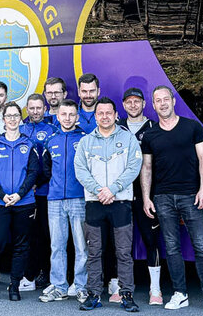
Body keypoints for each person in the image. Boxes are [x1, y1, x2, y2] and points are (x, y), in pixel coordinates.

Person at [140, 86, 203, 314]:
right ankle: (180, 294)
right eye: (158, 100)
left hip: (191, 196)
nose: (163, 103)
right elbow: (146, 168)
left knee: (201, 247)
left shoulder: (192, 127)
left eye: (166, 99)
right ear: (153, 105)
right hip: (163, 198)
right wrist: (146, 197)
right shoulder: (150, 135)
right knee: (172, 248)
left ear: (173, 101)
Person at [74, 97, 142, 312]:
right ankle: (94, 294)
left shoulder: (128, 138)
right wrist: (99, 190)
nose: (104, 117)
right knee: (94, 252)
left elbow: (134, 166)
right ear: (95, 117)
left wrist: (112, 189)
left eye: (108, 113)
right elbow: (80, 170)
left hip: (120, 203)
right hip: (94, 204)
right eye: (100, 113)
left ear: (115, 115)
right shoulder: (86, 142)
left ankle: (126, 295)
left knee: (123, 252)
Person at [0, 102, 38, 302]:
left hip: (24, 202)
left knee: (21, 246)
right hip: (0, 202)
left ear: (20, 119)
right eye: (9, 116)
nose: (12, 119)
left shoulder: (29, 144)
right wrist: (3, 195)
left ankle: (14, 286)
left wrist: (19, 194)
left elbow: (33, 173)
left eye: (15, 116)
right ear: (3, 119)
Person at [39, 99, 88, 304]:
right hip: (55, 199)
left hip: (79, 198)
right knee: (57, 246)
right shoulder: (50, 140)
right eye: (64, 114)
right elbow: (46, 169)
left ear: (77, 117)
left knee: (81, 246)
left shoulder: (85, 139)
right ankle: (59, 287)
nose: (67, 118)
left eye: (71, 114)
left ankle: (81, 286)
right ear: (57, 116)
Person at [117, 87, 163, 305]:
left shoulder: (154, 128)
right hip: (121, 194)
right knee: (120, 243)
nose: (133, 105)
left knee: (150, 239)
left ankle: (155, 289)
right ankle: (118, 286)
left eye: (137, 101)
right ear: (123, 105)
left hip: (147, 194)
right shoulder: (116, 127)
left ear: (144, 104)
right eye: (129, 102)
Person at [19, 93, 57, 291]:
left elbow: (52, 163)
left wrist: (37, 182)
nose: (35, 112)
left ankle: (46, 273)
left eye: (38, 108)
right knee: (27, 235)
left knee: (46, 235)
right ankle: (28, 275)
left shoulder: (52, 130)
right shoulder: (21, 129)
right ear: (27, 109)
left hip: (44, 192)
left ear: (45, 109)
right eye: (31, 108)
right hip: (24, 194)